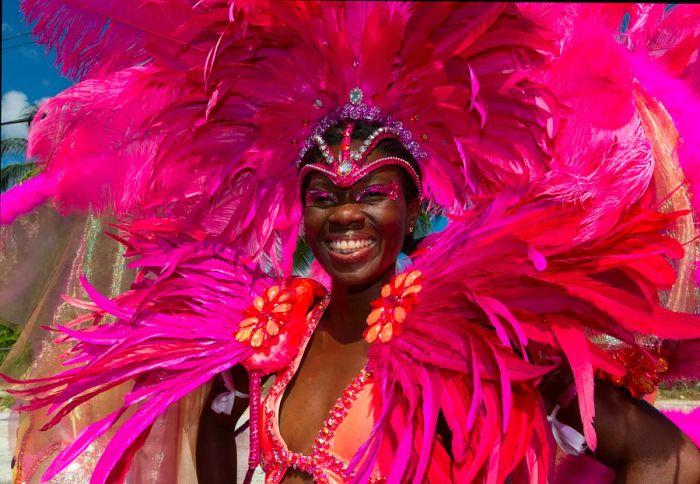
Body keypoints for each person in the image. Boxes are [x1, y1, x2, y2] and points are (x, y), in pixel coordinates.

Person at [2, 2, 700, 483]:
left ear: (413, 202)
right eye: (324, 195)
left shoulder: (472, 338)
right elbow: (217, 423)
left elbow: (666, 457)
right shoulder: (266, 336)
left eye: (372, 192)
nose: (345, 214)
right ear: (300, 208)